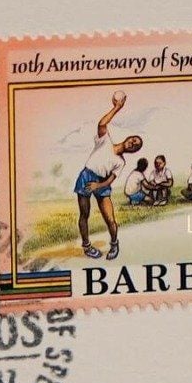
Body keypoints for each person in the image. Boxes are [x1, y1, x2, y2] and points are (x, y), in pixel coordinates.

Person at [75, 91, 142, 259]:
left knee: (110, 219)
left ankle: (114, 244)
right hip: (86, 177)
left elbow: (111, 179)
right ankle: (87, 246)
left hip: (102, 183)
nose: (133, 144)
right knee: (84, 214)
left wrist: (98, 185)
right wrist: (117, 107)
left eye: (136, 146)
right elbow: (102, 123)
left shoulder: (121, 162)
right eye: (134, 140)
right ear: (129, 137)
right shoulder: (105, 141)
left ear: (133, 151)